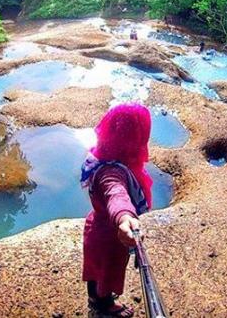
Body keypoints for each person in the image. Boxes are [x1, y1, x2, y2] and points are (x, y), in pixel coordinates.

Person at [80, 103, 153, 317]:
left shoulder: (101, 159)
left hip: (97, 227)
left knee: (96, 269)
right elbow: (116, 193)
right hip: (110, 237)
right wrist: (124, 217)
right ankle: (104, 307)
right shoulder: (111, 171)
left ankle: (96, 300)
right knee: (107, 271)